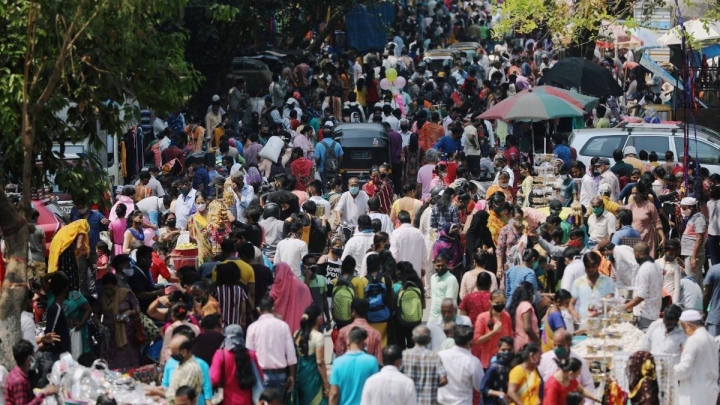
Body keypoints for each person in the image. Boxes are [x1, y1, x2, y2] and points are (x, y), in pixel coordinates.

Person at [246, 297, 298, 392]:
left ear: (258, 310)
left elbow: (249, 355)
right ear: (273, 308)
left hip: (260, 375)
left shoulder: (252, 328)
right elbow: (291, 354)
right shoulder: (283, 326)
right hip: (280, 375)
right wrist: (291, 375)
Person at [210, 324, 262, 405]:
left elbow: (214, 379)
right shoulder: (251, 354)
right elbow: (260, 376)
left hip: (228, 400)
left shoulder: (221, 354)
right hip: (248, 401)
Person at [674, 309, 719, 405]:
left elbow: (684, 370)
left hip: (694, 394)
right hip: (710, 392)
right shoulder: (711, 339)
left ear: (690, 325)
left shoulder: (693, 340)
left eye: (684, 328)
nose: (684, 332)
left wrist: (665, 371)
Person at [329, 327, 379, 405]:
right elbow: (376, 390)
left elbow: (334, 393)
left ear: (348, 341)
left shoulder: (338, 363)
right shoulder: (372, 361)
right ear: (363, 342)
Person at [401, 325, 448, 405]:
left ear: (413, 339)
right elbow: (444, 380)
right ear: (429, 339)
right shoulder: (434, 356)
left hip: (409, 401)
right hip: (429, 401)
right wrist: (432, 385)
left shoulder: (404, 355)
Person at [437, 325, 484, 405]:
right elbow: (480, 386)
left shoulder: (440, 355)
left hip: (441, 402)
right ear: (470, 341)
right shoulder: (472, 362)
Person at [293, 305, 330, 404]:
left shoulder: (296, 334)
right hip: (312, 378)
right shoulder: (318, 337)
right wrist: (326, 384)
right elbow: (320, 362)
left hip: (299, 375)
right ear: (318, 319)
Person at [5, 339, 58, 405]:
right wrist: (44, 393)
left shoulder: (16, 373)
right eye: (33, 356)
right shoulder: (19, 381)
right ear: (28, 359)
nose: (35, 358)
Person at [624, 242, 662, 330]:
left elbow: (641, 296)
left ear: (636, 254)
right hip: (655, 312)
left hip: (645, 314)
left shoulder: (644, 269)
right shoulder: (656, 265)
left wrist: (624, 308)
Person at [570, 251, 615, 323]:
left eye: (593, 267)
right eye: (588, 267)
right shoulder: (578, 282)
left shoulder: (607, 281)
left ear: (598, 265)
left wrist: (597, 313)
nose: (590, 270)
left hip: (601, 324)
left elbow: (609, 303)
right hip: (583, 323)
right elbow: (571, 303)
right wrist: (573, 313)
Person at [473, 290, 513, 368]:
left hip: (504, 361)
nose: (500, 305)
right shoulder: (482, 318)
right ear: (491, 302)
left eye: (502, 302)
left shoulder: (507, 316)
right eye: (497, 303)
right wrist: (494, 332)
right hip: (488, 362)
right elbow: (477, 340)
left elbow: (510, 337)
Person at [47, 219, 89, 292]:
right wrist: (84, 251)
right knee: (69, 273)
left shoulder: (68, 228)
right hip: (66, 252)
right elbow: (79, 246)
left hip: (58, 250)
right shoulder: (81, 227)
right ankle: (71, 292)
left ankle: (60, 292)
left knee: (60, 273)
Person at [269, 262, 313, 332]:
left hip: (278, 326)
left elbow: (270, 302)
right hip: (298, 325)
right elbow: (307, 299)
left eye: (276, 271)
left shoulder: (276, 287)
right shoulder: (300, 285)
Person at [390, 210, 428, 277]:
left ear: (398, 221)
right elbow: (424, 254)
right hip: (416, 273)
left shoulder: (396, 233)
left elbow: (394, 255)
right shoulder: (419, 233)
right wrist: (422, 267)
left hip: (401, 273)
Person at [679, 197, 707, 281]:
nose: (682, 210)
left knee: (691, 279)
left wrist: (694, 258)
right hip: (690, 253)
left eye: (684, 208)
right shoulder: (693, 217)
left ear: (691, 207)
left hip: (693, 254)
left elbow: (700, 238)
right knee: (697, 280)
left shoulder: (699, 219)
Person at [480, 337, 514, 405]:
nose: (506, 352)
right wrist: (499, 394)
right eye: (503, 350)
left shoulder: (512, 365)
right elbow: (483, 389)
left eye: (509, 350)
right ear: (498, 350)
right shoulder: (494, 367)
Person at [509, 281, 540, 352]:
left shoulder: (519, 306)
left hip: (520, 342)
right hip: (527, 344)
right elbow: (527, 328)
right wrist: (538, 341)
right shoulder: (526, 306)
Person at [428, 254, 460, 321]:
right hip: (433, 317)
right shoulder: (433, 278)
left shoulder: (451, 280)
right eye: (438, 266)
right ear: (434, 264)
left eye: (442, 266)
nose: (440, 268)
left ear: (447, 265)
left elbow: (448, 304)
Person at [704, 262, 720, 336]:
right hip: (715, 317)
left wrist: (704, 311)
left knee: (713, 346)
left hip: (715, 317)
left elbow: (706, 294)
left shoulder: (714, 269)